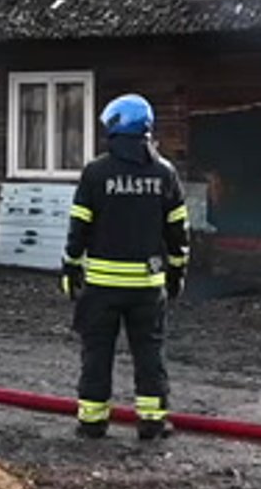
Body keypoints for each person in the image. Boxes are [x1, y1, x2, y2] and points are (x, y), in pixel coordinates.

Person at [62, 93, 190, 440]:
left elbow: (79, 226)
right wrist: (178, 271)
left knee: (96, 353)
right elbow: (178, 231)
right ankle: (152, 421)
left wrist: (71, 265)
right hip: (148, 287)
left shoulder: (95, 172)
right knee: (149, 353)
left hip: (101, 286)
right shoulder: (165, 174)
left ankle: (92, 421)